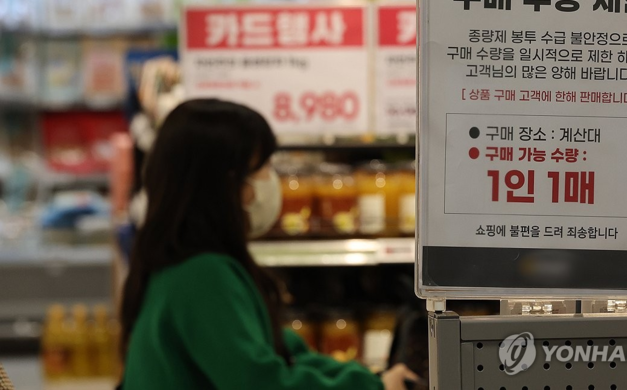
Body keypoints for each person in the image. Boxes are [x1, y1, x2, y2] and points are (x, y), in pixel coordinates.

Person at [120, 99, 419, 390]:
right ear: (228, 183)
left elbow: (279, 352)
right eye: (263, 166)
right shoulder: (202, 275)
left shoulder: (181, 263)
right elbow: (261, 382)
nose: (272, 179)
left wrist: (368, 380)